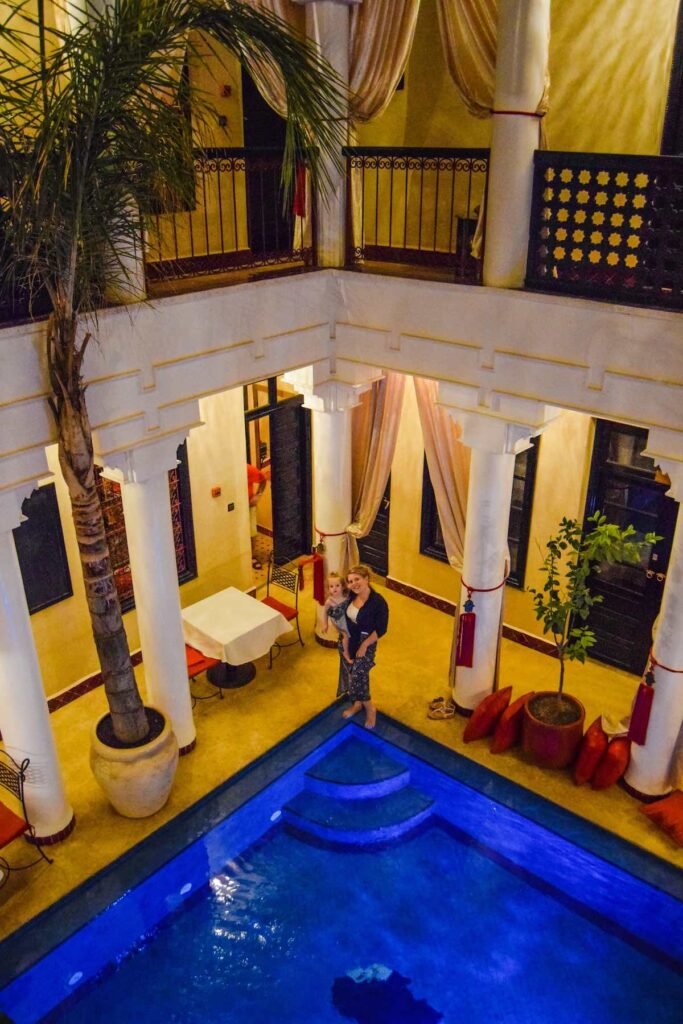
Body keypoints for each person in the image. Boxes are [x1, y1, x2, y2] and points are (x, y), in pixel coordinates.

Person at [343, 564, 389, 730]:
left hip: (366, 641)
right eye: (350, 581)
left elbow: (381, 629)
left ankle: (370, 709)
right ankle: (357, 704)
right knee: (350, 673)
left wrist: (364, 645)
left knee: (359, 676)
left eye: (357, 579)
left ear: (366, 579)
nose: (354, 584)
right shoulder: (350, 596)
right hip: (349, 639)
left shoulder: (378, 602)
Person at [322, 572, 352, 697]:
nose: (334, 589)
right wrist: (325, 624)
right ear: (328, 588)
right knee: (345, 635)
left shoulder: (346, 597)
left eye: (337, 585)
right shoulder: (330, 601)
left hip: (346, 620)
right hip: (339, 622)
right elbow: (324, 612)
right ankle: (346, 654)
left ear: (342, 586)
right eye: (331, 586)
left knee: (350, 634)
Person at [246, 463, 270, 569]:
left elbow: (263, 480)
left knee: (251, 532)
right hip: (233, 509)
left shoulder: (247, 468)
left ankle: (251, 556)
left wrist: (258, 495)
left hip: (249, 506)